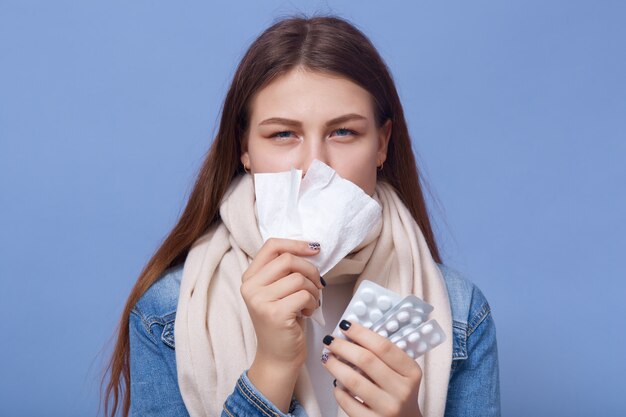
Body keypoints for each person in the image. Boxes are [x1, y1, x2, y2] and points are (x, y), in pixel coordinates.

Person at [102, 14, 500, 417]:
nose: (315, 166)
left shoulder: (460, 311)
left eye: (343, 132)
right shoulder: (168, 313)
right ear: (245, 150)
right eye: (282, 134)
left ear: (381, 145)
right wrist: (272, 367)